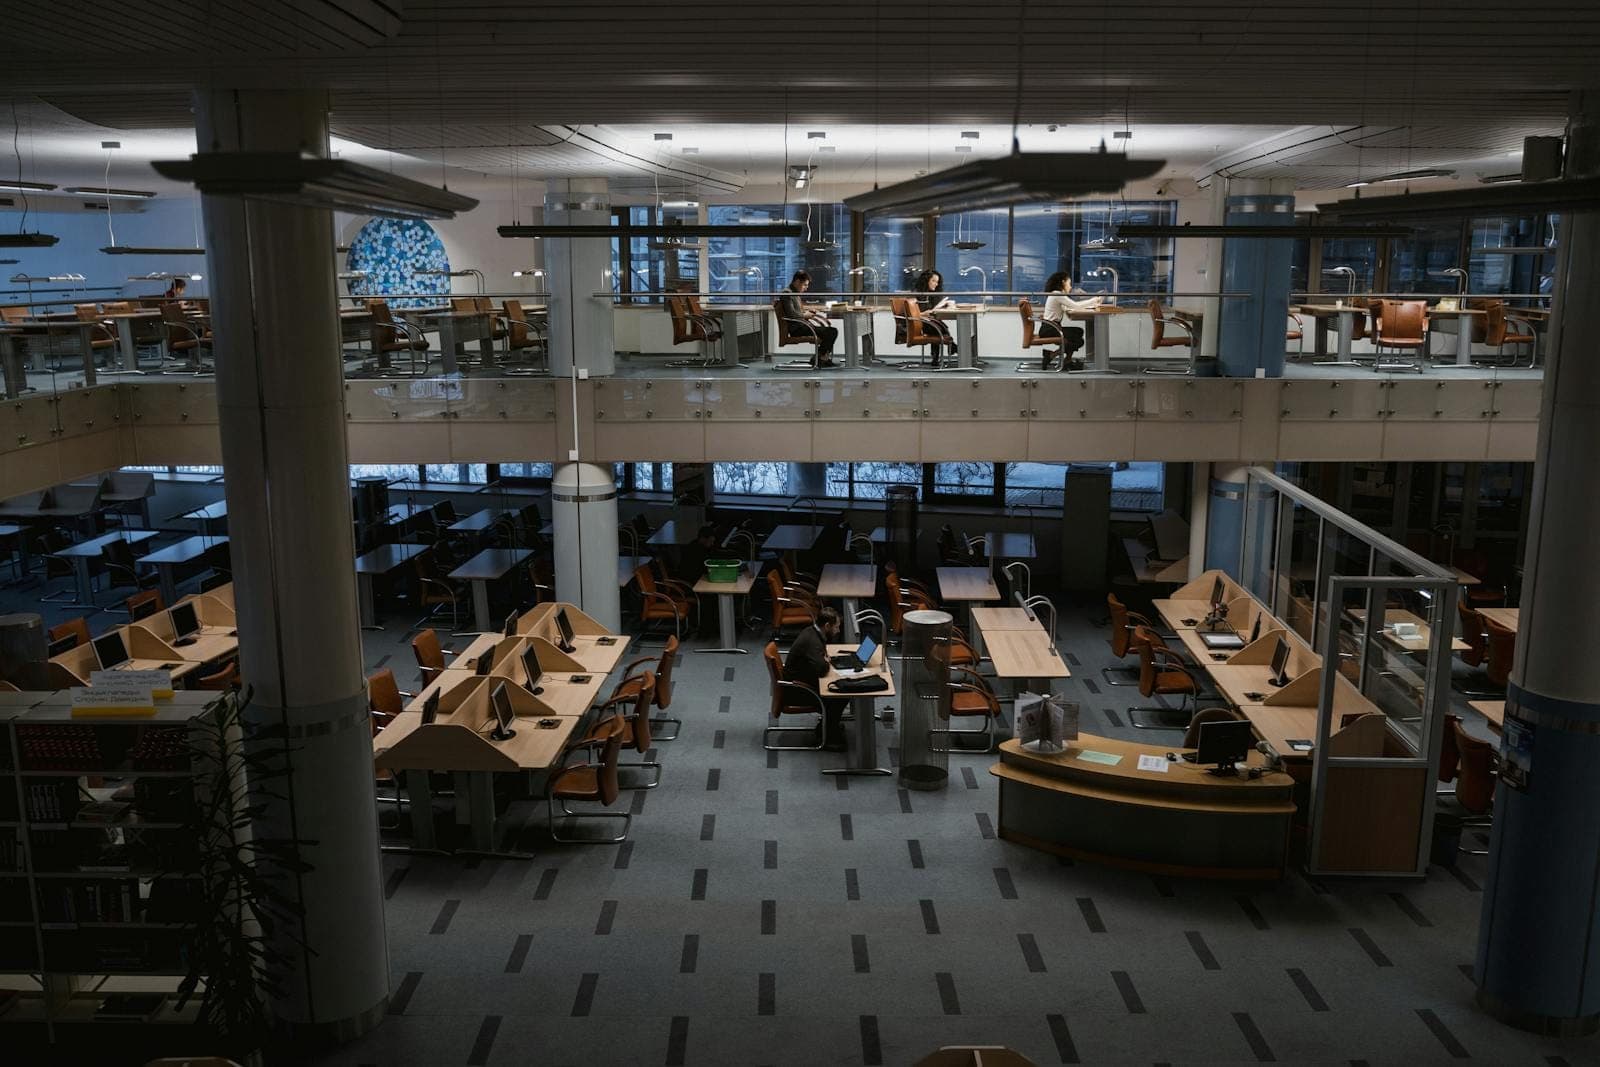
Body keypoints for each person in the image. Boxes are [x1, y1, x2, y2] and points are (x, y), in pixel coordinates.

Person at [783, 604, 848, 750]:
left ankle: (827, 726)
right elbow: (822, 669)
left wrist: (825, 659)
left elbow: (822, 659)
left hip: (803, 681)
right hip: (798, 691)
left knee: (841, 690)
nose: (838, 631)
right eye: (836, 627)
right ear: (827, 626)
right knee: (841, 694)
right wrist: (826, 661)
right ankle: (828, 736)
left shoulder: (812, 632)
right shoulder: (812, 641)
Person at [1039, 271, 1100, 369]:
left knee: (1078, 332)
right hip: (1050, 329)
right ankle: (1053, 356)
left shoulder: (1056, 294)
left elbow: (1067, 307)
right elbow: (1075, 306)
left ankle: (1064, 359)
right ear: (1063, 282)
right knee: (1079, 340)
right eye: (1069, 283)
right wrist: (1094, 300)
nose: (1070, 287)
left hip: (1050, 327)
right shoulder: (1057, 294)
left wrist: (1089, 305)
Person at [779, 270, 838, 368]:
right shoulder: (787, 293)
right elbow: (791, 314)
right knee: (832, 332)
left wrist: (807, 311)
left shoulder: (793, 293)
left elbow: (795, 311)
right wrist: (805, 315)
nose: (806, 288)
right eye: (805, 285)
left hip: (802, 325)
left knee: (831, 331)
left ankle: (821, 358)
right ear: (797, 281)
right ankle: (819, 358)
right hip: (797, 328)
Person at [912, 269, 957, 362]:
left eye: (937, 282)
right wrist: (923, 314)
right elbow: (910, 313)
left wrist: (943, 306)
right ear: (926, 280)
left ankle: (937, 357)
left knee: (938, 326)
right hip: (917, 323)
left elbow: (931, 310)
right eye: (933, 281)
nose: (936, 284)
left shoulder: (929, 294)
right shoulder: (916, 294)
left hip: (927, 322)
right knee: (937, 327)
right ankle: (952, 346)